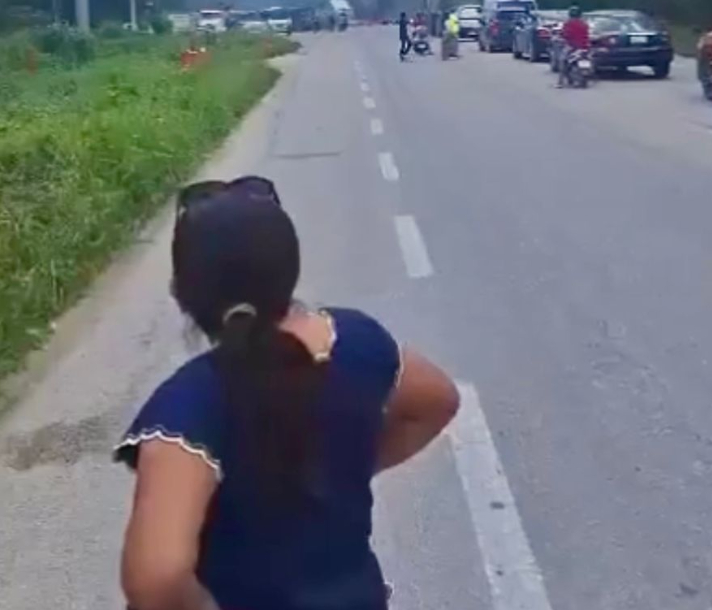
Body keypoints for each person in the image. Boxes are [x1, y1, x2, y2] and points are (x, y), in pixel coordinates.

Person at [116, 176, 459, 610]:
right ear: (289, 272)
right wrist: (341, 468)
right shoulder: (357, 340)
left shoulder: (189, 404)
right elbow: (437, 401)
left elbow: (157, 581)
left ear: (182, 295)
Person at [558, 4, 591, 86]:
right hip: (584, 47)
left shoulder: (568, 23)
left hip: (572, 47)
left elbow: (565, 34)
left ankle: (560, 82)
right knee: (590, 58)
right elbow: (587, 35)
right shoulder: (584, 24)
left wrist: (561, 38)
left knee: (562, 61)